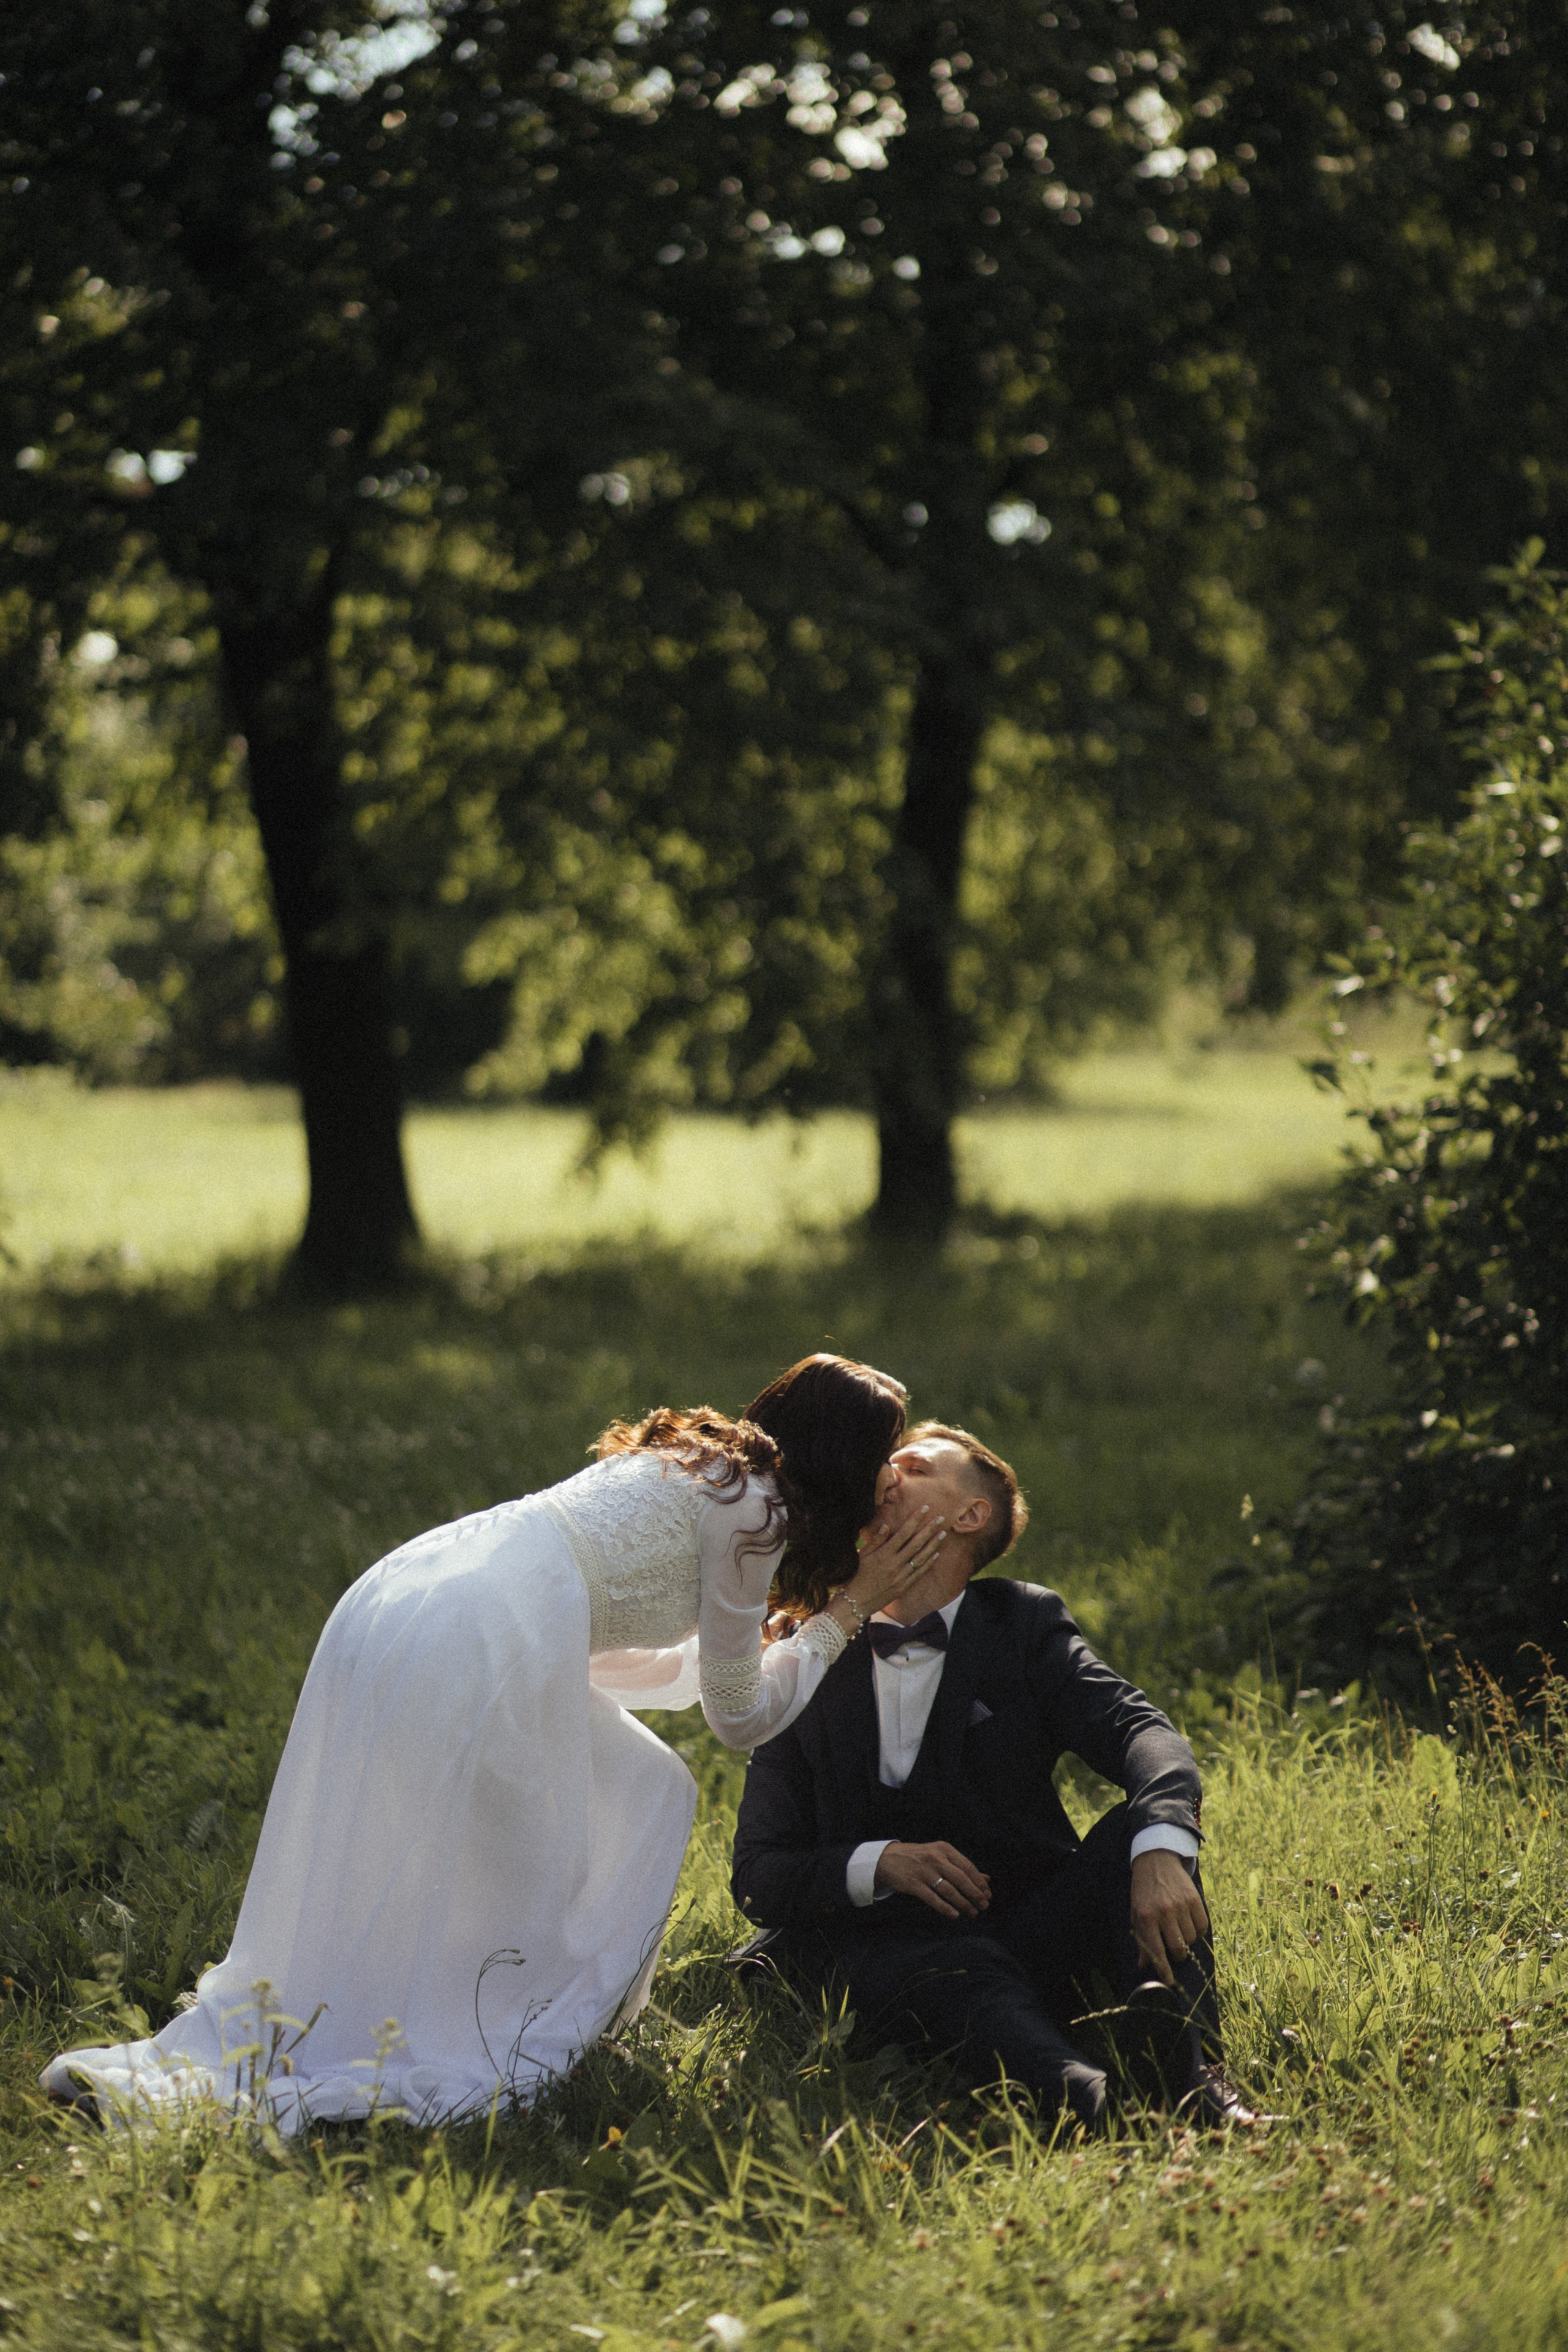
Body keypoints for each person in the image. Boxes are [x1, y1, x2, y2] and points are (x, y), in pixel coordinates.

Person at [42, 1355, 942, 2132]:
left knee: (650, 1783)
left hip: (436, 1589)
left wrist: (800, 1630)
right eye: (885, 1463)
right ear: (846, 1464)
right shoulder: (757, 1518)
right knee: (535, 1855)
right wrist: (849, 1611)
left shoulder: (706, 1465)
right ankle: (482, 2021)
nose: (889, 1485)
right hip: (480, 1625)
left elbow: (648, 1663)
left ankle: (542, 2008)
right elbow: (737, 1717)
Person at [731, 1422, 1254, 2135]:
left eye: (911, 1464)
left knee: (1142, 1828)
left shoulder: (1022, 1624)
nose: (883, 1472)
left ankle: (1198, 2080)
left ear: (968, 1516)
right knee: (961, 1975)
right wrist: (878, 1862)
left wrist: (1163, 1846)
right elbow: (759, 1876)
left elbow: (1142, 1733)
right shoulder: (806, 1653)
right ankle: (1099, 2103)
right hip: (880, 1948)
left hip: (1026, 1919)